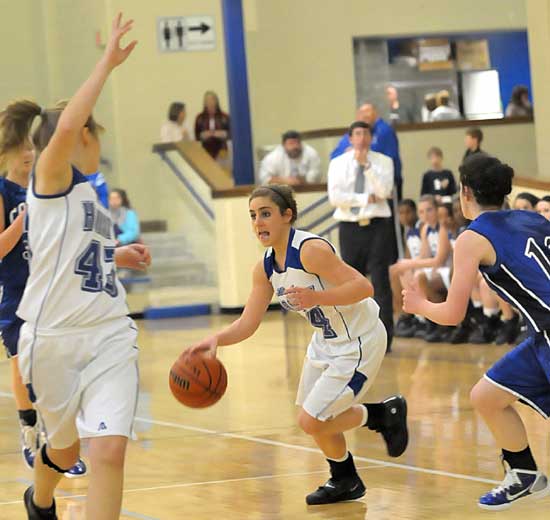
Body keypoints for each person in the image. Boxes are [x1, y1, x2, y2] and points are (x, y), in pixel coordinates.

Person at [9, 14, 152, 520]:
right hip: (51, 340)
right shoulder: (48, 178)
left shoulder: (93, 196)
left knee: (108, 451)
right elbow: (66, 124)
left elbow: (73, 254)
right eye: (96, 135)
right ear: (80, 137)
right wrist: (106, 63)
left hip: (109, 333)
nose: (100, 144)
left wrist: (119, 255)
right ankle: (40, 497)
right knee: (65, 453)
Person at [186, 184, 408, 505]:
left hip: (359, 339)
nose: (258, 222)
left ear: (287, 216)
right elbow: (248, 322)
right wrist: (214, 340)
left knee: (312, 420)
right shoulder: (264, 268)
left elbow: (364, 287)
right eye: (252, 216)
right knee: (312, 417)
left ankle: (382, 415)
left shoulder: (310, 250)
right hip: (326, 343)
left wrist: (317, 296)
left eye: (265, 214)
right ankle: (344, 479)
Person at [403, 153, 550, 510]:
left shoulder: (472, 237)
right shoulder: (532, 218)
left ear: (465, 192)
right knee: (487, 396)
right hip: (541, 334)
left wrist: (419, 304)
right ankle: (524, 474)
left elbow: (453, 314)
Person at [0, 110, 93, 481]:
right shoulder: (4, 192)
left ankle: (62, 444)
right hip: (17, 291)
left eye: (31, 146)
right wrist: (25, 218)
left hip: (57, 288)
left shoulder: (51, 183)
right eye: (20, 147)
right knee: (23, 364)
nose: (27, 153)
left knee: (64, 369)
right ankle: (29, 432)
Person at [328, 121, 395, 351]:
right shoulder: (337, 163)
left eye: (366, 133)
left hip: (378, 225)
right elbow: (336, 197)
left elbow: (385, 192)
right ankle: (352, 336)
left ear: (371, 137)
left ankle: (385, 338)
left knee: (380, 280)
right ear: (350, 137)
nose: (362, 137)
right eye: (357, 133)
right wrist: (366, 199)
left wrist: (366, 166)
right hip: (349, 226)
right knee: (350, 281)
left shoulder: (384, 162)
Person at [330, 104, 402, 199]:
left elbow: (390, 159)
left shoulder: (384, 131)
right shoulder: (350, 134)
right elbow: (334, 156)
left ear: (376, 114)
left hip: (382, 183)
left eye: (368, 113)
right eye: (362, 113)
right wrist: (347, 153)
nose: (365, 116)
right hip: (353, 187)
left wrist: (365, 156)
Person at [194, 90, 230, 160]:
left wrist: (223, 134)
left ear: (216, 101)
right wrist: (203, 135)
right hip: (205, 152)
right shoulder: (199, 118)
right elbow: (196, 137)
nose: (209, 102)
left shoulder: (225, 117)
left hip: (222, 151)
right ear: (204, 103)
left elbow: (232, 134)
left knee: (222, 170)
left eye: (212, 99)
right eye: (207, 100)